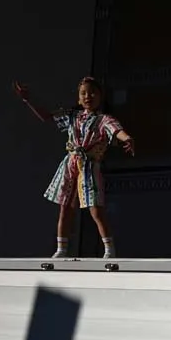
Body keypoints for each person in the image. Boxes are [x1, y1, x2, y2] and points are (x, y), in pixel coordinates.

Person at [13, 76, 134, 258]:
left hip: (88, 166)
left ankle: (109, 249)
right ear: (78, 98)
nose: (88, 96)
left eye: (92, 93)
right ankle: (61, 249)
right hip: (70, 164)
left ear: (100, 96)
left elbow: (117, 131)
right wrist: (28, 99)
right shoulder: (72, 116)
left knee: (95, 209)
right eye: (83, 93)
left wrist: (127, 138)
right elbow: (47, 116)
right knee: (65, 208)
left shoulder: (103, 119)